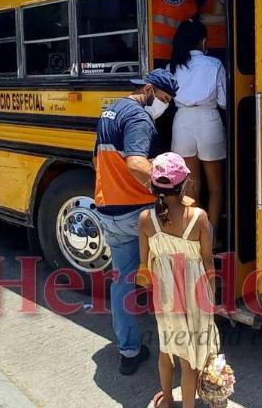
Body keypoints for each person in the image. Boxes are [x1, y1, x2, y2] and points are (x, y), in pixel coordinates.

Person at [93, 68, 178, 375]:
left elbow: (98, 160)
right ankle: (176, 348)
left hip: (108, 210)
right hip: (137, 213)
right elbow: (136, 163)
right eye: (164, 98)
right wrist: (168, 192)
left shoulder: (110, 111)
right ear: (149, 89)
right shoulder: (140, 118)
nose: (164, 105)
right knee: (167, 276)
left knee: (123, 280)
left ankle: (128, 351)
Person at [139, 152, 218, 408]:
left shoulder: (145, 220)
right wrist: (212, 294)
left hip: (165, 293)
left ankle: (166, 400)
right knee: (189, 359)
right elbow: (207, 260)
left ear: (152, 186)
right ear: (185, 183)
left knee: (166, 347)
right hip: (196, 291)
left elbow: (145, 263)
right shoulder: (199, 217)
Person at [169, 19, 227, 241]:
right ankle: (212, 239)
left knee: (191, 185)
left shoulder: (173, 66)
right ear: (203, 41)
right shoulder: (214, 64)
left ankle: (196, 235)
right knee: (215, 185)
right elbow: (223, 101)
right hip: (208, 119)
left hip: (182, 121)